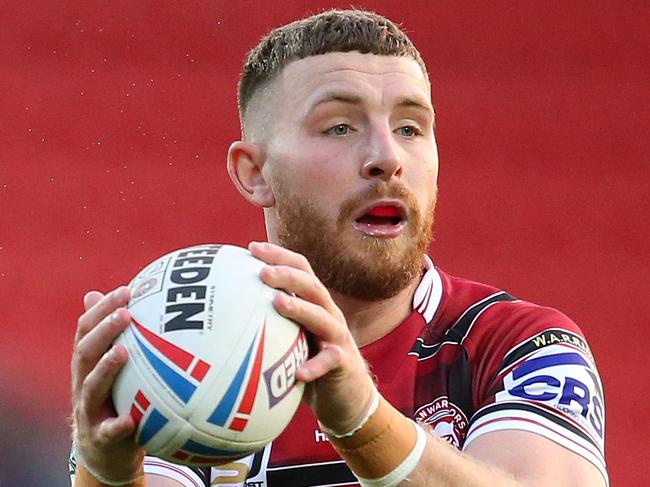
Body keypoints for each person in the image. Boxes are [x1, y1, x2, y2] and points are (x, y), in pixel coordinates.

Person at [69, 9, 608, 487]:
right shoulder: (182, 347)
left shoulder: (518, 345)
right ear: (255, 173)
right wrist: (110, 476)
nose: (386, 157)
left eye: (410, 128)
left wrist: (364, 421)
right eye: (340, 127)